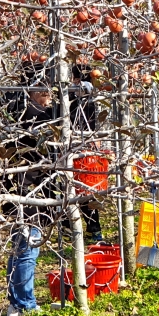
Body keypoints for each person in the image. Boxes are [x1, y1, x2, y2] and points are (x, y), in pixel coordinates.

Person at [2, 68, 56, 316]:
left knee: (20, 247)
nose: (51, 99)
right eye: (47, 93)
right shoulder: (33, 116)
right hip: (29, 191)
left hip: (17, 189)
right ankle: (24, 304)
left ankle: (17, 301)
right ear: (35, 92)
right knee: (28, 248)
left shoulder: (15, 112)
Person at [70, 64, 102, 242]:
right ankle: (92, 229)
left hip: (79, 148)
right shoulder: (89, 97)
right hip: (87, 149)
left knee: (81, 189)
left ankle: (92, 228)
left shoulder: (78, 98)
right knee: (87, 189)